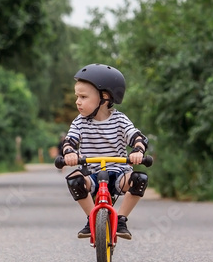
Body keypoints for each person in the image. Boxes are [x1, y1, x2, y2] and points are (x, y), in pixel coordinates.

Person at [57, 64, 149, 239]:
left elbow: (137, 137)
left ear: (104, 97)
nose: (78, 101)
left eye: (83, 97)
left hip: (119, 175)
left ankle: (121, 219)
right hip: (92, 174)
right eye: (77, 96)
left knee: (139, 179)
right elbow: (70, 141)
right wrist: (69, 152)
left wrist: (138, 150)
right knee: (75, 179)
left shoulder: (120, 120)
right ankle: (91, 218)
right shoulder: (80, 122)